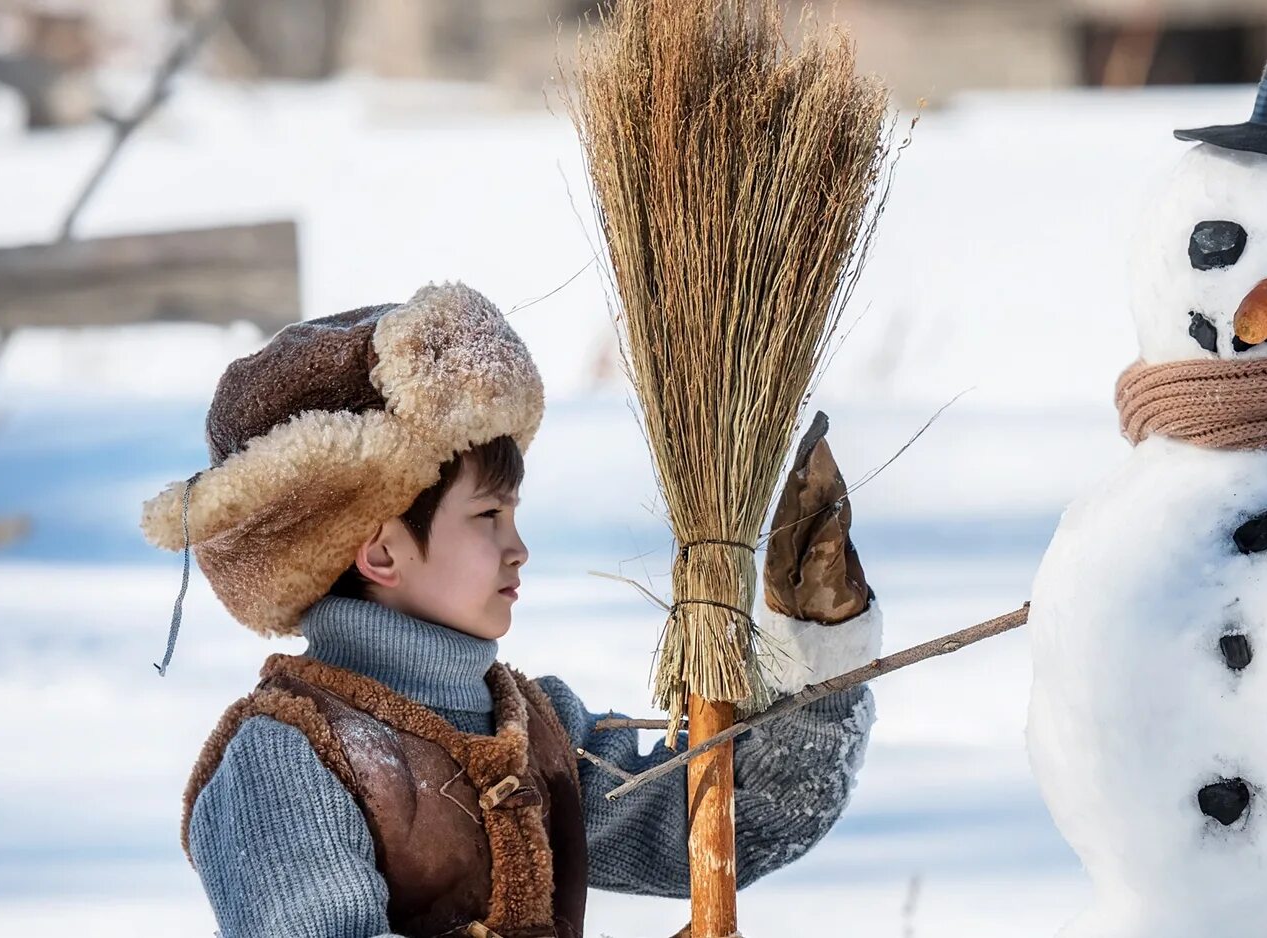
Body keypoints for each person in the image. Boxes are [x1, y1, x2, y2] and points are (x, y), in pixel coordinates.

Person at [142, 282, 884, 938]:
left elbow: (734, 827)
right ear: (381, 553)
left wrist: (816, 654)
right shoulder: (289, 757)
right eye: (487, 516)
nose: (518, 547)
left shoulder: (535, 728)